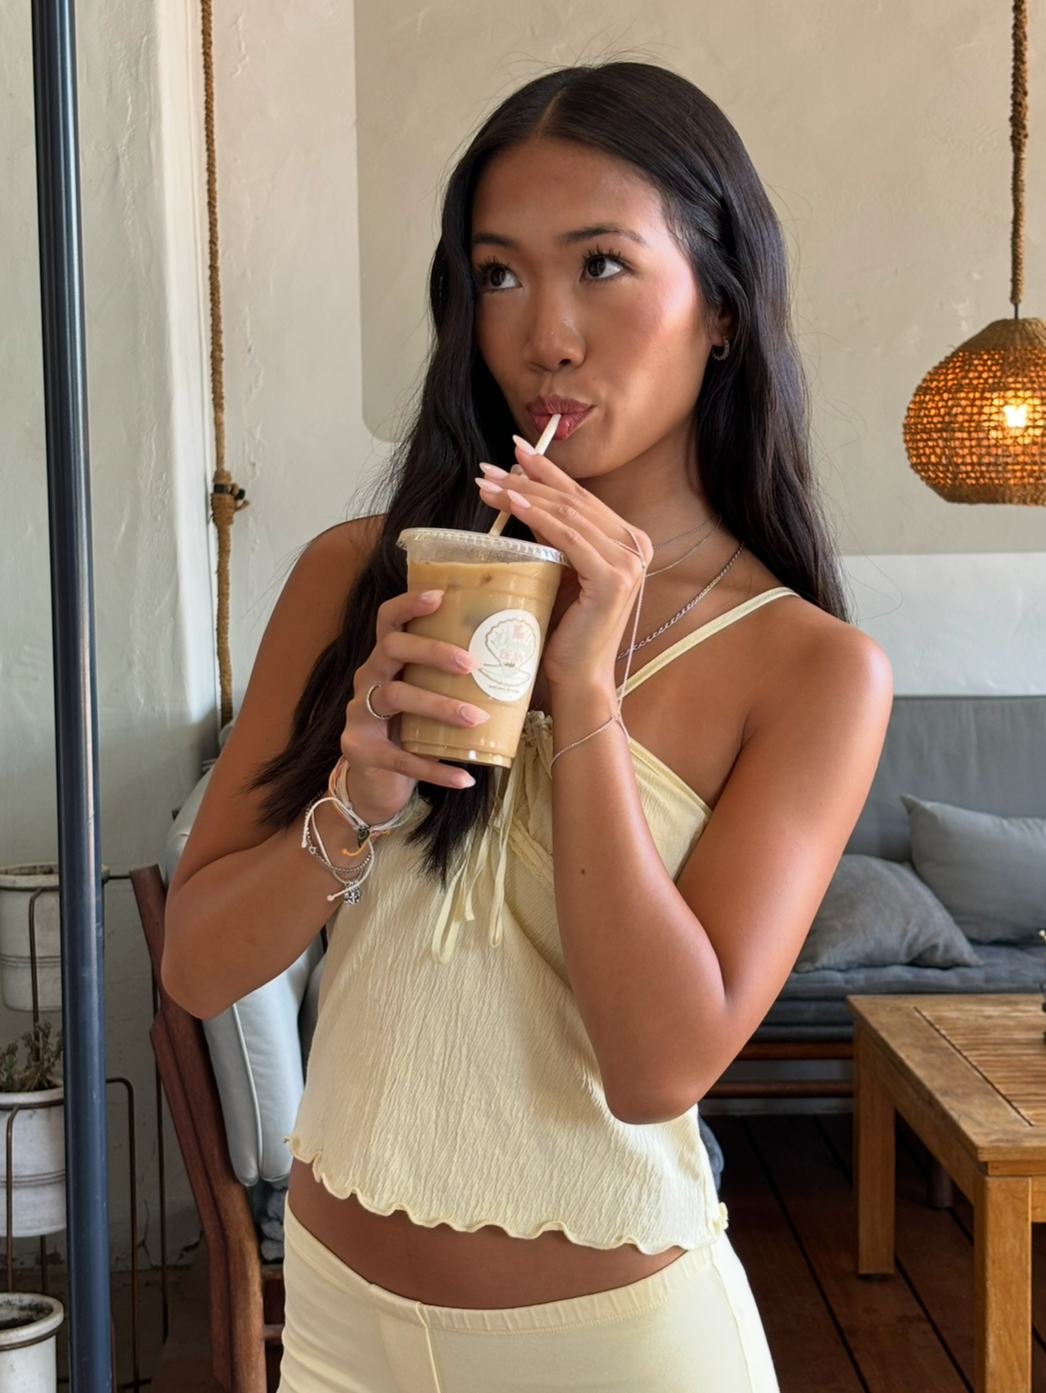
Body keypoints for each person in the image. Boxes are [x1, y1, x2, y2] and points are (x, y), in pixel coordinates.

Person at [163, 61, 892, 1393]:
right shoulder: (356, 579)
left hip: (613, 1353)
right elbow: (197, 969)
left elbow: (656, 1064)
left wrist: (588, 696)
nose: (543, 334)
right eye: (497, 275)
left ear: (720, 307)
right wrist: (353, 804)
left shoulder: (812, 670)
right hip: (334, 1333)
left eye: (601, 266)